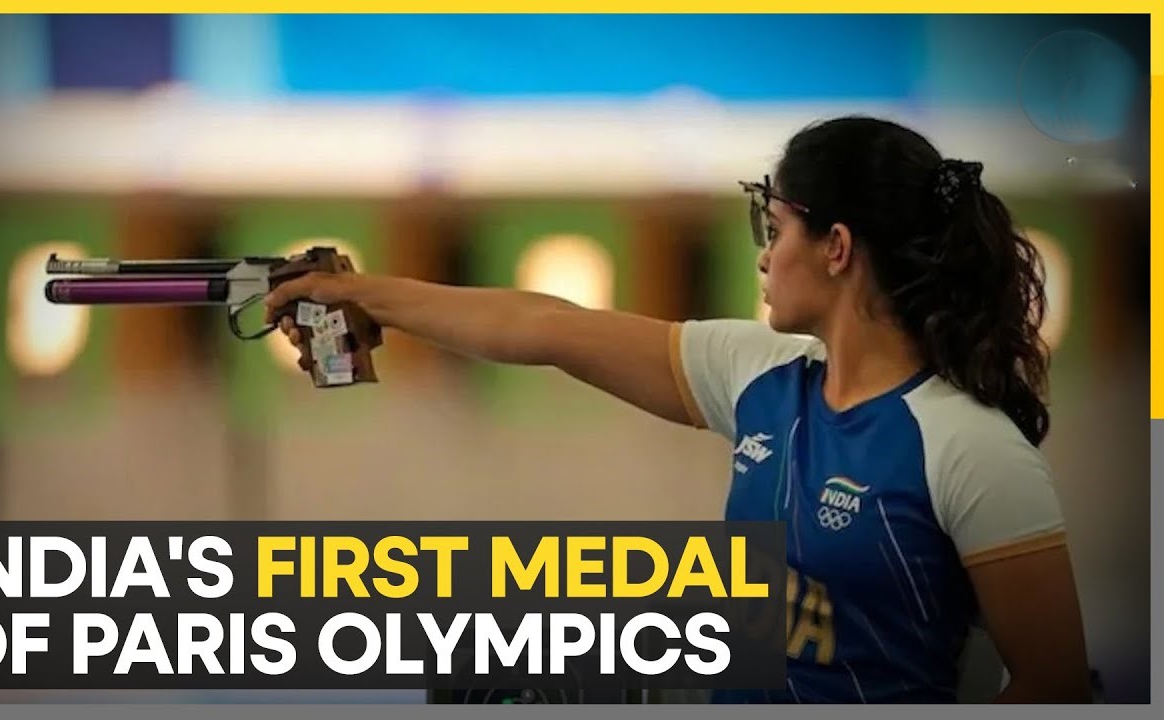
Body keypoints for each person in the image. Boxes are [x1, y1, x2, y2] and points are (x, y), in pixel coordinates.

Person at [264, 116, 1091, 703]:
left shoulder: (966, 445)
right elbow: (545, 326)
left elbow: (1054, 683)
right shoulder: (762, 373)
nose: (765, 256)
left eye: (778, 229)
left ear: (836, 248)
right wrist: (357, 293)